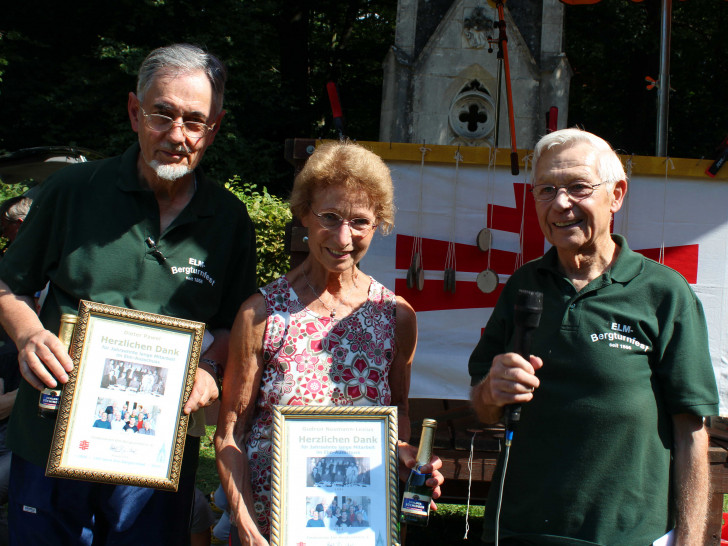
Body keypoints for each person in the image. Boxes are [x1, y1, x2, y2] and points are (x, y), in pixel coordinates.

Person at [0, 43, 257, 545]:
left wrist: (208, 369)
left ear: (215, 128)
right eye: (162, 115)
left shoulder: (228, 220)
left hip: (155, 454)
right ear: (135, 112)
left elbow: (234, 324)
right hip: (50, 437)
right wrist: (29, 333)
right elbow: (8, 283)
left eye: (194, 121)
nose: (176, 136)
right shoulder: (74, 189)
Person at [469, 128, 719, 545]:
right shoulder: (523, 285)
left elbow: (690, 430)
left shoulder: (662, 292)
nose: (561, 203)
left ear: (616, 195)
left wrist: (689, 542)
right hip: (518, 532)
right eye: (546, 190)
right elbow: (483, 407)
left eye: (578, 188)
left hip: (626, 536)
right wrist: (490, 392)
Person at [214, 140, 444, 546]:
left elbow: (399, 412)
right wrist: (245, 523)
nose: (343, 237)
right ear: (304, 212)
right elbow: (231, 431)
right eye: (329, 217)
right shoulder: (261, 314)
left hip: (360, 529)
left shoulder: (396, 316)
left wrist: (405, 456)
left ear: (379, 223)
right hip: (269, 532)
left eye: (359, 221)